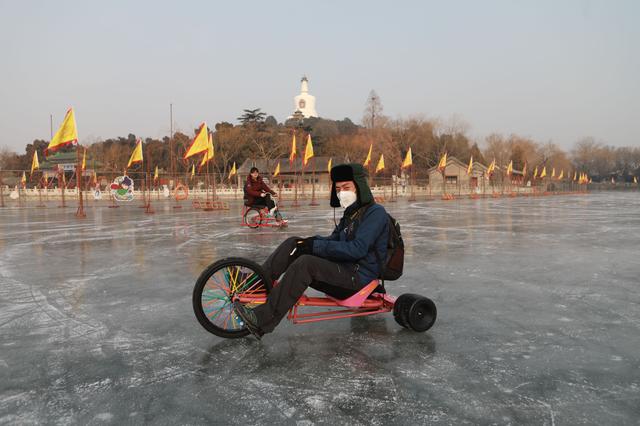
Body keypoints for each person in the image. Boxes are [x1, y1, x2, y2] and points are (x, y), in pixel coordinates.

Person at [234, 163, 390, 339]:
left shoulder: (375, 213)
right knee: (294, 243)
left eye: (346, 187)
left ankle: (262, 320)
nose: (342, 193)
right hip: (343, 269)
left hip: (358, 279)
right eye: (338, 189)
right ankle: (253, 284)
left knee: (305, 264)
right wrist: (308, 242)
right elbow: (333, 240)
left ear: (360, 187)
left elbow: (357, 249)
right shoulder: (351, 214)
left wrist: (314, 247)